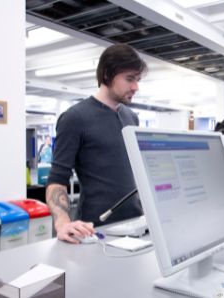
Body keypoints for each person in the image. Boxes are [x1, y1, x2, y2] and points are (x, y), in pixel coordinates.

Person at [46, 44, 147, 244]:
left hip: (136, 225)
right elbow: (57, 179)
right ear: (107, 75)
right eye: (129, 79)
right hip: (94, 230)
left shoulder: (131, 118)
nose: (136, 87)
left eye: (138, 80)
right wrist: (63, 222)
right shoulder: (75, 118)